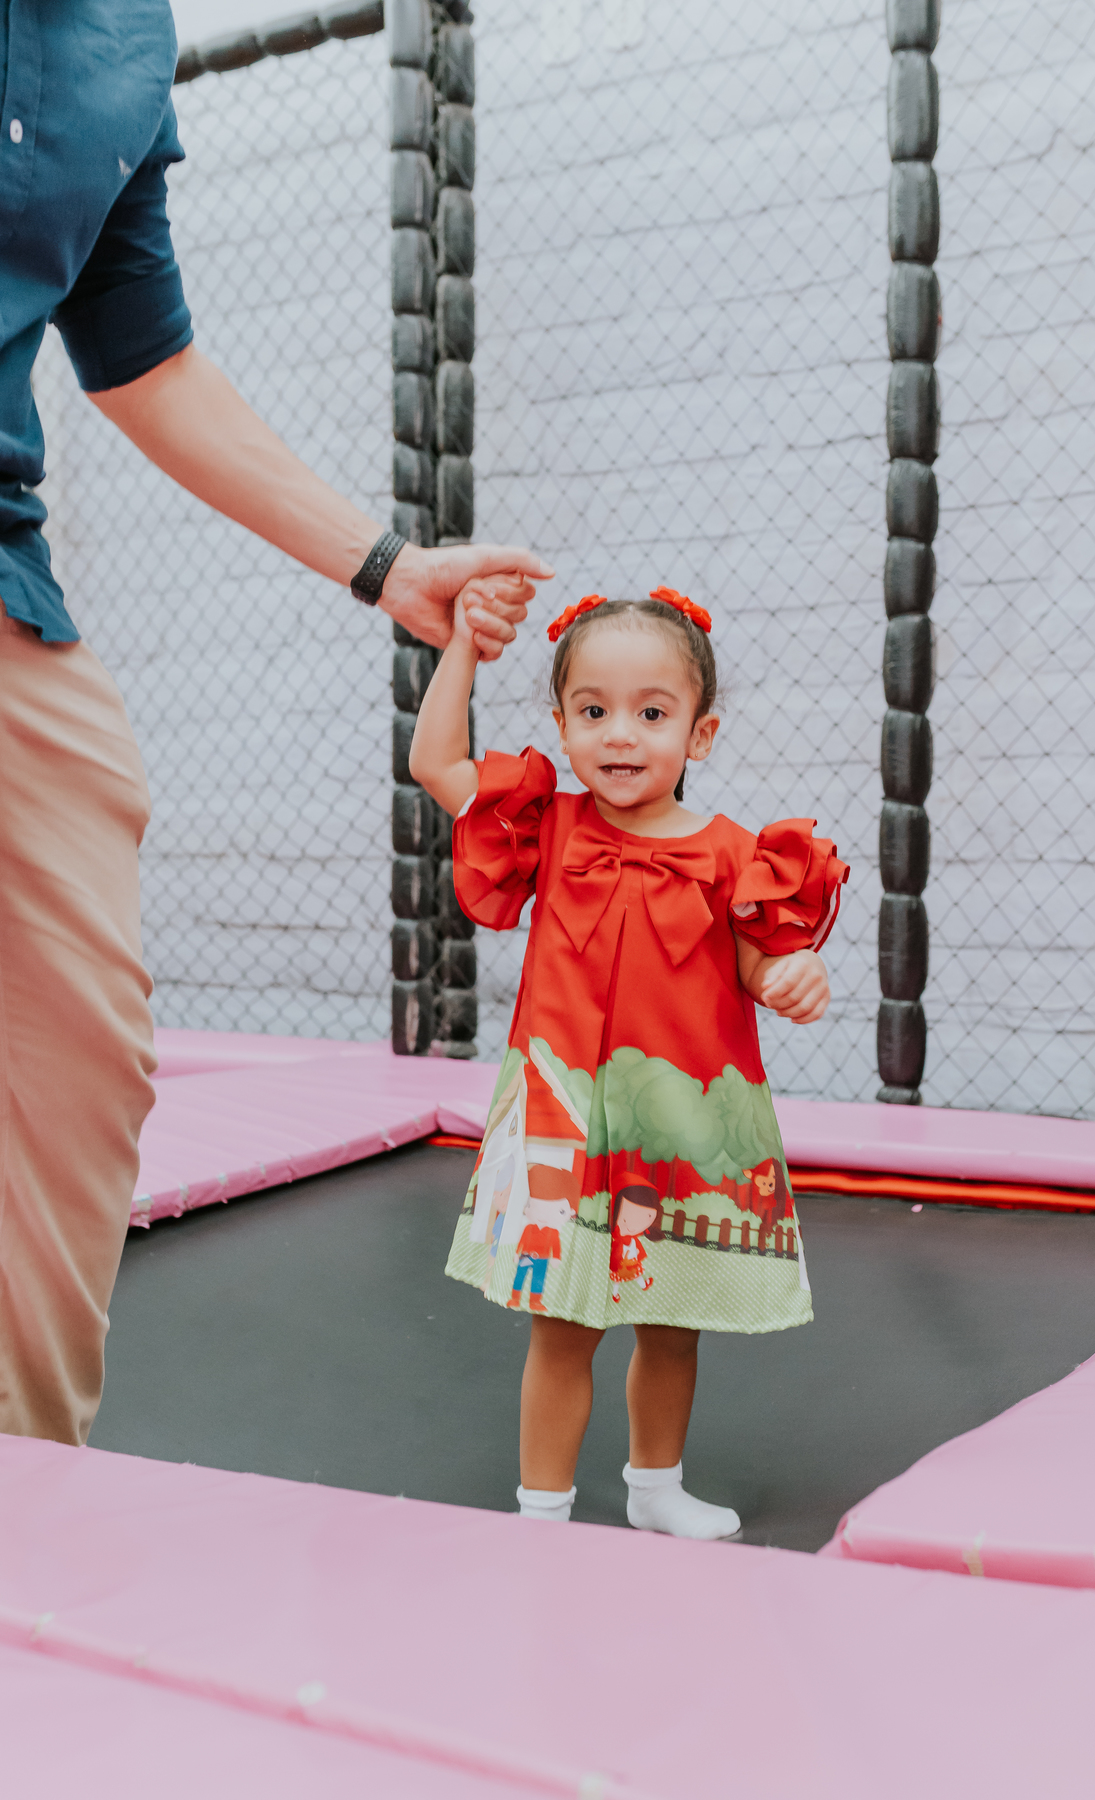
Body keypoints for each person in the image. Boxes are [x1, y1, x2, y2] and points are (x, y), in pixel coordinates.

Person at [0, 2, 550, 1448]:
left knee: (79, 1057)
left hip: (4, 589)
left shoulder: (119, 36)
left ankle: (28, 1500)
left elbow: (144, 354)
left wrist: (385, 568)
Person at [409, 584, 849, 1540]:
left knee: (670, 1320)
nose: (620, 734)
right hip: (564, 1118)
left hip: (675, 1129)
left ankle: (656, 1488)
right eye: (593, 711)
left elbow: (760, 960)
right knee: (560, 1327)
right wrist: (459, 652)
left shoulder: (735, 856)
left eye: (652, 713)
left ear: (699, 734)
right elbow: (436, 760)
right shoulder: (550, 827)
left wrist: (792, 974)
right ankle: (541, 1512)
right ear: (562, 726)